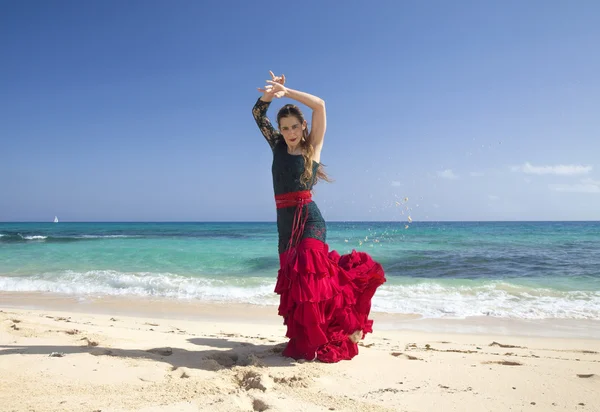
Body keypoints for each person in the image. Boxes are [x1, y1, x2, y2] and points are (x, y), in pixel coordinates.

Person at [252, 71, 386, 363]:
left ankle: (349, 326)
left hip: (310, 219)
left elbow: (320, 105)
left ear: (303, 127)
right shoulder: (276, 146)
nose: (289, 132)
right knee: (296, 283)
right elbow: (257, 112)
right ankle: (311, 336)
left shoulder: (312, 148)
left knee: (313, 277)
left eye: (294, 127)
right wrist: (270, 95)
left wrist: (287, 93)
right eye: (284, 128)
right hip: (285, 224)